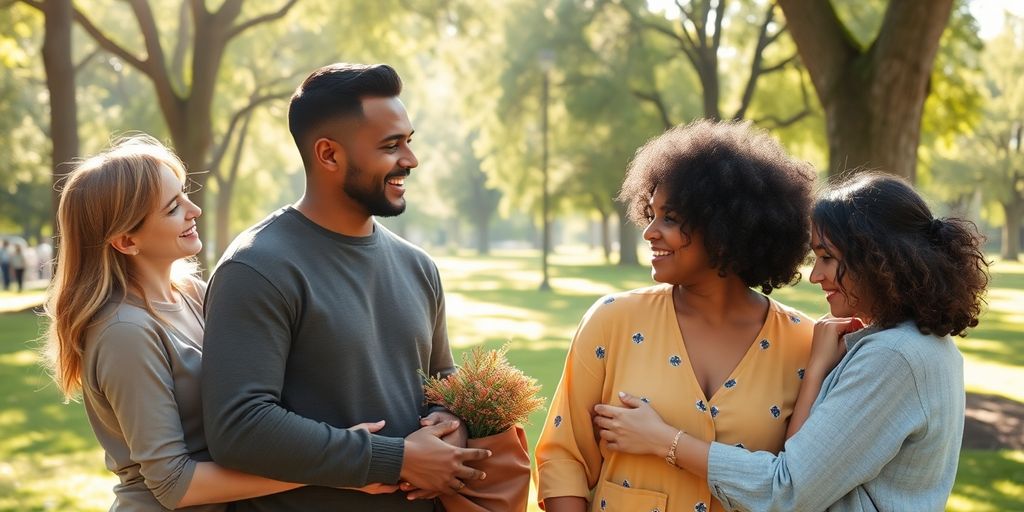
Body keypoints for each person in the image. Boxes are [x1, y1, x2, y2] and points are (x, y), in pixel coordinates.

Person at [593, 172, 989, 511]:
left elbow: (785, 491)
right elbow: (800, 465)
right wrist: (816, 370)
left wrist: (664, 440)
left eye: (827, 257)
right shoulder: (912, 345)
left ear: (878, 259)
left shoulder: (895, 358)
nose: (816, 276)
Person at [200, 63, 490, 511]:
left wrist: (450, 421)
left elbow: (440, 379)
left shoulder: (419, 266)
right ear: (329, 155)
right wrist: (394, 459)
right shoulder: (256, 268)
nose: (410, 160)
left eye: (409, 142)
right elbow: (239, 428)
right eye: (391, 146)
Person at [534, 120, 818, 512]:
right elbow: (563, 459)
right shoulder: (612, 321)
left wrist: (665, 441)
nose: (649, 232)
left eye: (670, 218)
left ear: (726, 228)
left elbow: (801, 484)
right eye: (650, 214)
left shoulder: (805, 343)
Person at [41, 135, 327, 510]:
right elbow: (174, 484)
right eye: (173, 207)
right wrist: (330, 468)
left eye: (184, 195)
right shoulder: (124, 333)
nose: (195, 210)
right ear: (126, 241)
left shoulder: (194, 292)